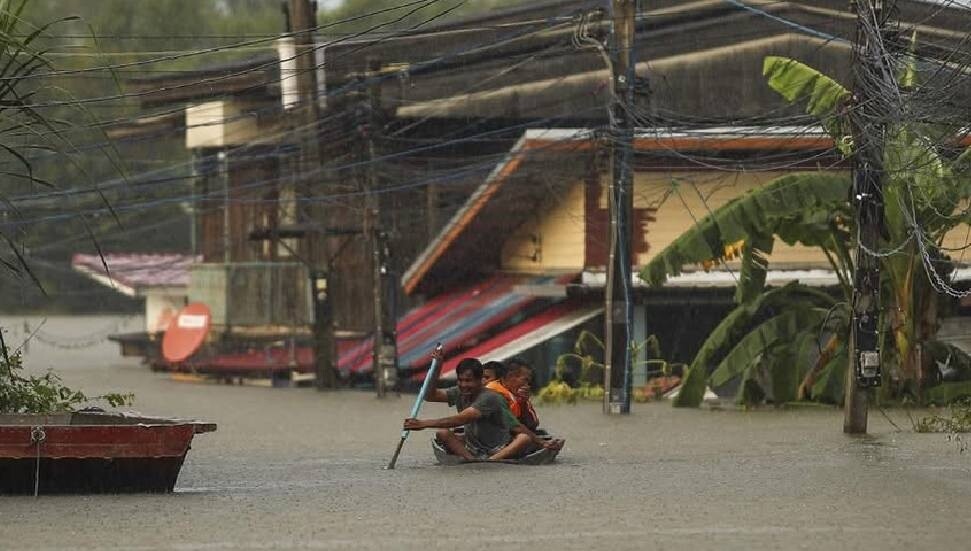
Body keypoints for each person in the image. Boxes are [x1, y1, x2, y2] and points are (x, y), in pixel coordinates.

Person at [403, 356, 552, 460]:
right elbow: (430, 396)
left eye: (468, 381)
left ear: (480, 381)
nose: (463, 385)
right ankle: (471, 460)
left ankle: (492, 461)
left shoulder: (490, 397)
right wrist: (437, 367)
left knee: (524, 438)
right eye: (460, 380)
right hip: (473, 448)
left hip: (498, 448)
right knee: (442, 433)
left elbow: (463, 418)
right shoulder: (460, 391)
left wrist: (423, 423)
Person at [485, 358, 541, 432]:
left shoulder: (520, 396)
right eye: (525, 380)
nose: (527, 385)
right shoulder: (492, 390)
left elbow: (533, 424)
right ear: (510, 376)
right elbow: (511, 424)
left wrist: (523, 403)